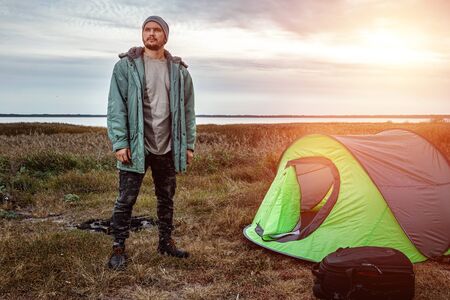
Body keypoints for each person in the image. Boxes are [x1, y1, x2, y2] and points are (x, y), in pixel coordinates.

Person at [106, 15, 196, 270]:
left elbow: (189, 111)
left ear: (165, 36)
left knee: (166, 198)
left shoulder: (180, 71)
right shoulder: (126, 67)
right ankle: (118, 247)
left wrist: (188, 145)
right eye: (147, 29)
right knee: (126, 198)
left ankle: (165, 243)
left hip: (168, 146)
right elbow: (116, 107)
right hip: (136, 146)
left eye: (157, 30)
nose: (152, 33)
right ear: (142, 34)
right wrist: (120, 142)